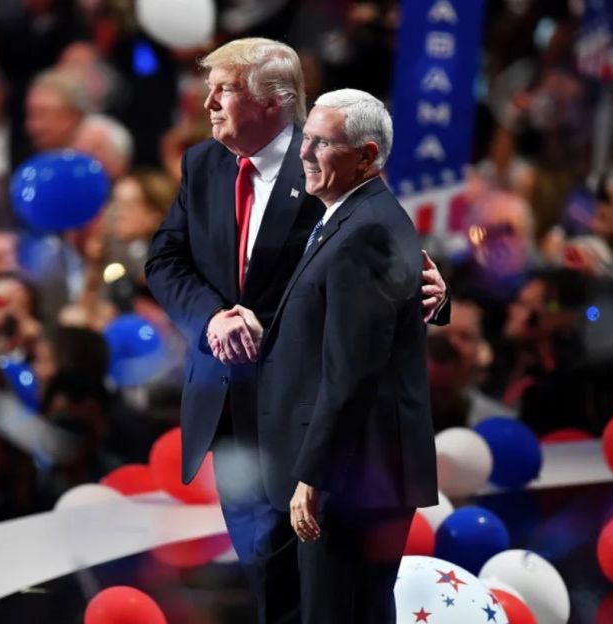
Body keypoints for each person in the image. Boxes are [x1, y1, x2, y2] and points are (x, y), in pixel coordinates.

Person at [144, 38, 448, 623]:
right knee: (269, 587)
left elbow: (382, 262)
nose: (207, 103)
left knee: (329, 599)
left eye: (225, 89)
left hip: (315, 419)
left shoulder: (327, 165)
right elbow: (164, 261)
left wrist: (435, 295)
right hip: (231, 410)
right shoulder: (202, 164)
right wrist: (212, 318)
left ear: (276, 102)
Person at [255, 89, 437, 622]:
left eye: (323, 142)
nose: (305, 153)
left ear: (367, 156)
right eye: (305, 138)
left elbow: (352, 369)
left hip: (351, 476)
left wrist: (314, 475)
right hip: (348, 470)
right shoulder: (351, 216)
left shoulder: (369, 230)